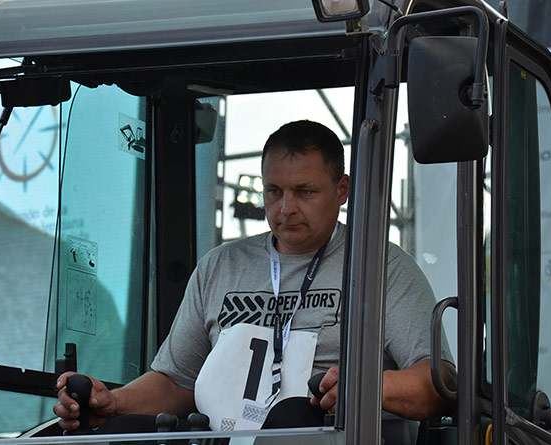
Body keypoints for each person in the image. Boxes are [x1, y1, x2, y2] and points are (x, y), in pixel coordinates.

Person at [54, 120, 454, 432]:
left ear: (342, 189)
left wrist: (368, 386)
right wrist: (114, 403)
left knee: (294, 416)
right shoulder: (220, 265)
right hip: (220, 434)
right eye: (273, 191)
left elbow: (441, 381)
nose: (286, 208)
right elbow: (177, 382)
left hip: (321, 433)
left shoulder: (381, 266)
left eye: (304, 192)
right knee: (123, 430)